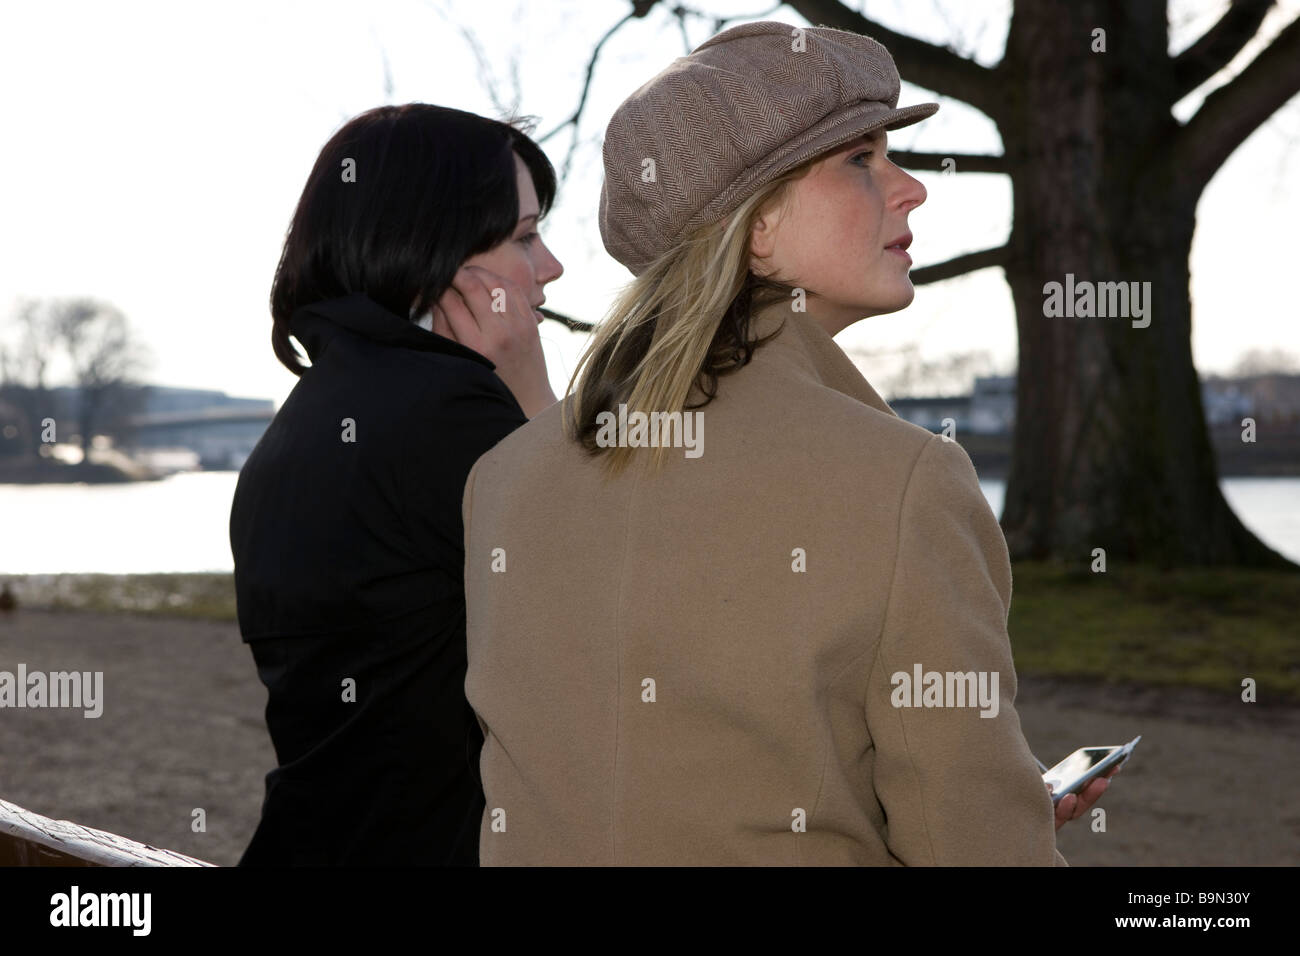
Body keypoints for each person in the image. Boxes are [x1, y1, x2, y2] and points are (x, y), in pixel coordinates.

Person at [461, 21, 1108, 865]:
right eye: (861, 160)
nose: (912, 189)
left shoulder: (503, 477)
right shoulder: (904, 482)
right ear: (757, 223)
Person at [230, 103, 562, 865]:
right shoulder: (449, 415)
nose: (550, 266)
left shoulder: (307, 415)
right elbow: (609, 619)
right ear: (439, 253)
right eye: (524, 236)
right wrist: (532, 401)